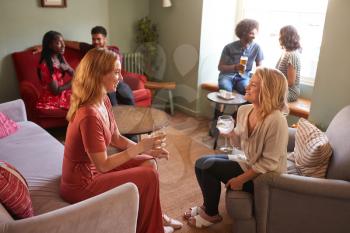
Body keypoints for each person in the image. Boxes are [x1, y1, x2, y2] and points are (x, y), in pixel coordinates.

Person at [60, 48, 181, 233]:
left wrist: (147, 151)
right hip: (81, 184)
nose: (121, 78)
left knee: (149, 163)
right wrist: (140, 146)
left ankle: (154, 216)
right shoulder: (89, 115)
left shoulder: (104, 99)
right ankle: (152, 228)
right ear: (99, 74)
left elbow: (116, 138)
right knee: (149, 175)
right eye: (116, 72)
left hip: (93, 170)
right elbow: (103, 166)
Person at [184, 67, 289, 228]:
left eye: (253, 85)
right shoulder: (245, 110)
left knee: (207, 167)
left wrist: (241, 179)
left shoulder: (276, 121)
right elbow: (239, 145)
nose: (247, 86)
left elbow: (269, 164)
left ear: (268, 90)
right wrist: (232, 134)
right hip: (248, 161)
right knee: (200, 163)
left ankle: (211, 215)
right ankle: (207, 206)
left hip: (265, 177)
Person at [218, 19, 264, 95]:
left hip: (244, 77)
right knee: (225, 90)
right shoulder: (229, 47)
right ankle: (219, 107)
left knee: (248, 91)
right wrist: (235, 67)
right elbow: (220, 67)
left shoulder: (257, 48)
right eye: (251, 34)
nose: (254, 37)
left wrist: (256, 79)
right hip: (227, 76)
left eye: (255, 34)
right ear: (243, 33)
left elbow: (260, 67)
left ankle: (242, 107)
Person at [36, 31, 74, 111]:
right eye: (58, 43)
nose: (63, 45)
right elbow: (55, 91)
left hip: (62, 94)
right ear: (50, 45)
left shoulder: (59, 57)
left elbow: (75, 74)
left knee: (87, 97)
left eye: (63, 42)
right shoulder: (45, 65)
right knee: (82, 102)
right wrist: (74, 82)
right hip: (53, 100)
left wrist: (68, 68)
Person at [276, 25, 302, 102]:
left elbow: (290, 82)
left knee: (265, 96)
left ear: (285, 37)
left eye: (280, 36)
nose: (279, 38)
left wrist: (275, 87)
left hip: (290, 91)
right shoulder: (285, 52)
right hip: (282, 89)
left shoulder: (292, 55)